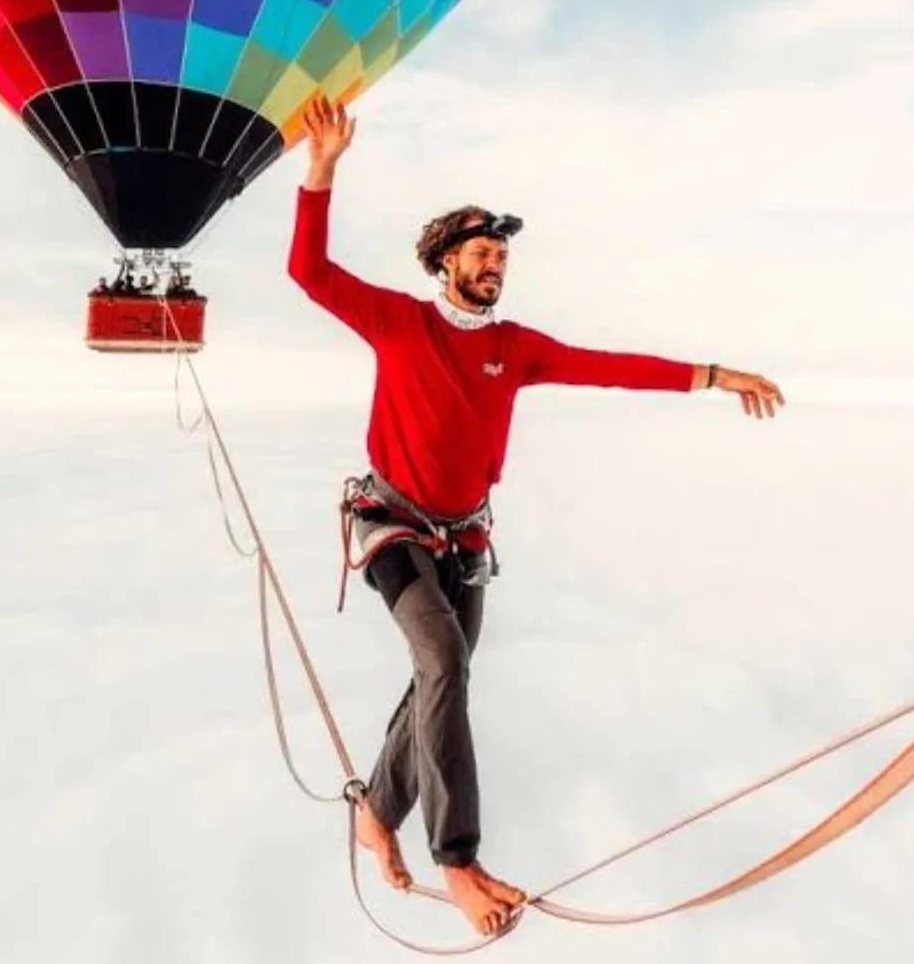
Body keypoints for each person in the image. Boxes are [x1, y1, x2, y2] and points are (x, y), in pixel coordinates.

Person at [287, 96, 784, 937]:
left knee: (440, 678)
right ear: (444, 259)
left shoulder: (513, 347)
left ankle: (377, 812)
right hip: (393, 526)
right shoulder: (400, 322)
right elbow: (310, 273)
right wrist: (322, 172)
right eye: (481, 252)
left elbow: (611, 367)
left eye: (501, 255)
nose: (495, 265)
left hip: (465, 537)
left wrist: (715, 374)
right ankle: (458, 861)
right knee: (442, 658)